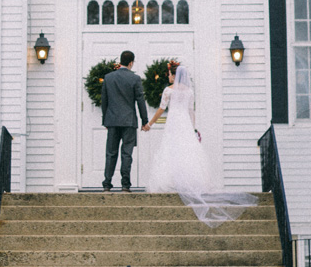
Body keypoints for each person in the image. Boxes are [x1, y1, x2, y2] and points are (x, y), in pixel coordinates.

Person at [144, 63, 257, 226]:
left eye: (169, 74)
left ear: (174, 75)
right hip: (185, 123)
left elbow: (162, 109)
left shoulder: (169, 90)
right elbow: (191, 111)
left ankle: (172, 181)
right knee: (187, 151)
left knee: (172, 150)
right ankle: (187, 180)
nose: (168, 77)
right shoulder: (189, 91)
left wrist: (149, 124)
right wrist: (193, 129)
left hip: (174, 122)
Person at [100, 50, 149, 191]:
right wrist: (144, 120)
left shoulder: (108, 78)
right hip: (129, 121)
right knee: (126, 153)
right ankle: (125, 185)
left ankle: (107, 184)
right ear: (131, 63)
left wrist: (105, 120)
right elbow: (140, 101)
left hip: (112, 120)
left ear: (121, 61)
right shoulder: (135, 79)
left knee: (111, 152)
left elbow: (105, 101)